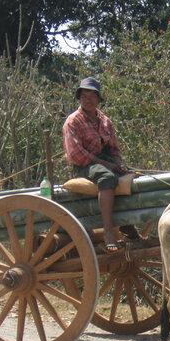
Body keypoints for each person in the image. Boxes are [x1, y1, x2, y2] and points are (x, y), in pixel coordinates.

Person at [62, 77, 137, 252]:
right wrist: (108, 166)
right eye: (84, 96)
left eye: (91, 96)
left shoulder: (105, 121)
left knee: (131, 174)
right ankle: (108, 230)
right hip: (84, 165)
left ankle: (126, 223)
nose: (87, 99)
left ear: (98, 99)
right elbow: (76, 155)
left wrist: (119, 163)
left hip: (106, 161)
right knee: (107, 177)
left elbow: (115, 149)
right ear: (79, 98)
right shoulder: (73, 122)